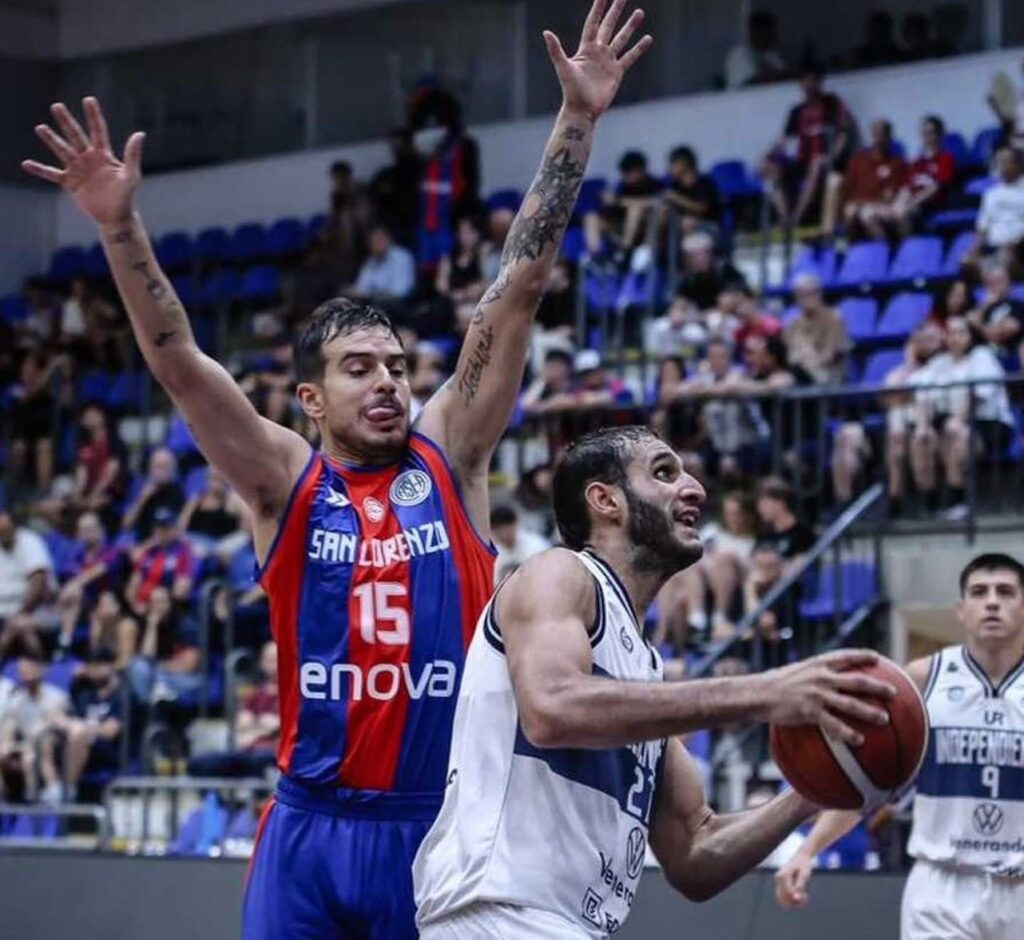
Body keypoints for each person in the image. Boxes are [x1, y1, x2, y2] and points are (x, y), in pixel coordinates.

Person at [21, 2, 653, 935]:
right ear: (310, 397)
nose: (389, 383)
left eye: (397, 365)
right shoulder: (283, 480)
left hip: (436, 825)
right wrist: (119, 228)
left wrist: (578, 119)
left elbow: (515, 288)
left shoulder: (452, 453)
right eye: (360, 369)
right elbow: (176, 360)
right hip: (309, 830)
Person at [413, 425, 896, 938]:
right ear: (605, 500)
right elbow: (552, 708)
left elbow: (694, 853)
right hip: (497, 913)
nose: (695, 489)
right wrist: (766, 692)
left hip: (561, 924)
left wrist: (822, 784)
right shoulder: (558, 574)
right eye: (664, 473)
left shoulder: (642, 670)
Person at [775, 553, 1024, 940]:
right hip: (942, 887)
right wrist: (809, 850)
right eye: (979, 592)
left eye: (1005, 592)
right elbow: (871, 782)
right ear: (961, 609)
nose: (992, 601)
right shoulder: (923, 680)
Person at [910, 317, 1015, 520]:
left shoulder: (982, 356)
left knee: (955, 433)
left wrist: (958, 420)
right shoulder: (940, 362)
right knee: (920, 438)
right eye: (950, 333)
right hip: (950, 422)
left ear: (971, 335)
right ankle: (928, 502)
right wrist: (923, 426)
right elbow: (920, 393)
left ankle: (957, 500)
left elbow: (976, 394)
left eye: (960, 332)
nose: (954, 338)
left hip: (989, 424)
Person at [762, 64, 857, 234]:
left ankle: (797, 218)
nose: (809, 84)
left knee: (817, 162)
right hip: (803, 160)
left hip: (827, 160)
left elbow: (843, 133)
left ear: (819, 82)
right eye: (805, 80)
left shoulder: (832, 103)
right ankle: (784, 217)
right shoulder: (796, 111)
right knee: (771, 168)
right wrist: (769, 156)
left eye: (813, 80)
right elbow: (784, 139)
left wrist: (832, 155)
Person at [188, 640, 279, 779]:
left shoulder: (295, 695)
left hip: (273, 754)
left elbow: (281, 728)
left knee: (260, 759)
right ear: (261, 662)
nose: (273, 665)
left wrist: (258, 726)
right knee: (200, 763)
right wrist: (264, 727)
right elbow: (241, 726)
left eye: (276, 659)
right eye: (269, 659)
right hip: (246, 750)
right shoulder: (254, 695)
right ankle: (214, 800)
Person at [0, 509, 56, 662]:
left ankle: (43, 667)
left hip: (36, 609)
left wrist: (21, 612)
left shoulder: (29, 541)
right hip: (4, 611)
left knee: (21, 626)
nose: (3, 534)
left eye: (5, 530)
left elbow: (37, 582)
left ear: (14, 527)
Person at [842, 118, 908, 241]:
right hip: (858, 203)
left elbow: (888, 197)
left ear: (889, 137)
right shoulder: (858, 160)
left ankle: (884, 249)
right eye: (876, 134)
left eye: (882, 134)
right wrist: (855, 202)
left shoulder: (896, 163)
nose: (879, 138)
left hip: (879, 206)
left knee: (867, 213)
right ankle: (851, 249)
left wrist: (864, 202)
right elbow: (848, 188)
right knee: (849, 211)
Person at [784, 273, 851, 384]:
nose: (809, 298)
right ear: (796, 298)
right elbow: (790, 355)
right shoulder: (793, 324)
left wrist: (808, 359)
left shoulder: (834, 318)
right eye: (803, 295)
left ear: (820, 294)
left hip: (829, 373)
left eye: (812, 293)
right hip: (798, 371)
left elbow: (830, 355)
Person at [894, 115, 955, 235]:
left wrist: (912, 202)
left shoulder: (946, 159)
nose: (926, 136)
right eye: (924, 133)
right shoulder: (916, 161)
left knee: (905, 213)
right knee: (893, 212)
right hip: (915, 203)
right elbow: (907, 186)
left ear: (939, 135)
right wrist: (898, 203)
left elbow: (936, 188)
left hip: (934, 204)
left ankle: (909, 248)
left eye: (930, 132)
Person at [967, 148, 1024, 276]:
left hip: (1019, 247)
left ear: (1018, 164)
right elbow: (982, 227)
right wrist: (973, 251)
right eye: (1000, 163)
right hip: (993, 247)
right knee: (966, 263)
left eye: (1007, 162)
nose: (1003, 167)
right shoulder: (991, 194)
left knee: (1005, 258)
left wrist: (1015, 244)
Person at [969, 260, 1024, 370]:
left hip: (1007, 356)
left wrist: (980, 326)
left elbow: (1001, 333)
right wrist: (985, 305)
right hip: (980, 359)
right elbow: (970, 321)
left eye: (1000, 280)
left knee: (981, 354)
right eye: (992, 282)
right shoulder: (983, 308)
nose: (997, 285)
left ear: (1009, 282)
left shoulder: (1016, 305)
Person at [352, 223, 417, 304]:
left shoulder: (402, 257)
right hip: (375, 301)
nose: (375, 244)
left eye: (379, 240)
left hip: (399, 303)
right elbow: (361, 288)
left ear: (388, 240)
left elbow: (400, 291)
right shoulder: (371, 260)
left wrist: (371, 294)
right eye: (372, 242)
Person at [723, 10, 788, 89]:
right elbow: (747, 84)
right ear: (753, 32)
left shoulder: (772, 56)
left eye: (770, 33)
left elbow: (785, 78)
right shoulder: (738, 54)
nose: (767, 38)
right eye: (763, 33)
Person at [490, 504, 551, 584]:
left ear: (515, 524)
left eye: (507, 529)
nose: (504, 534)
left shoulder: (537, 545)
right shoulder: (493, 556)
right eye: (499, 531)